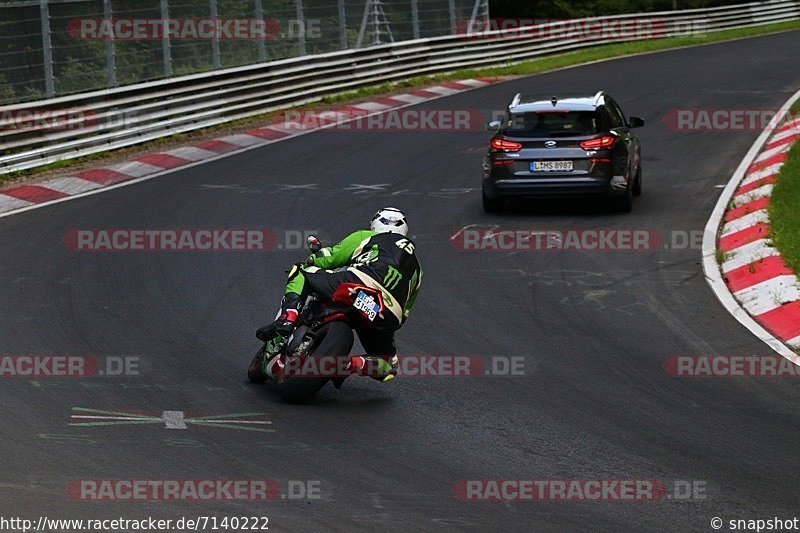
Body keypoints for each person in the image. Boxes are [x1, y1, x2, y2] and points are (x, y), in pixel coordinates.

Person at [256, 207, 422, 381]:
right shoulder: (418, 269)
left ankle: (288, 317)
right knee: (389, 365)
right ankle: (350, 365)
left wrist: (313, 259)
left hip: (358, 282)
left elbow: (329, 258)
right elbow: (404, 315)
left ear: (374, 224)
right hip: (386, 310)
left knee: (300, 271)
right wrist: (384, 321)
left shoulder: (367, 236)